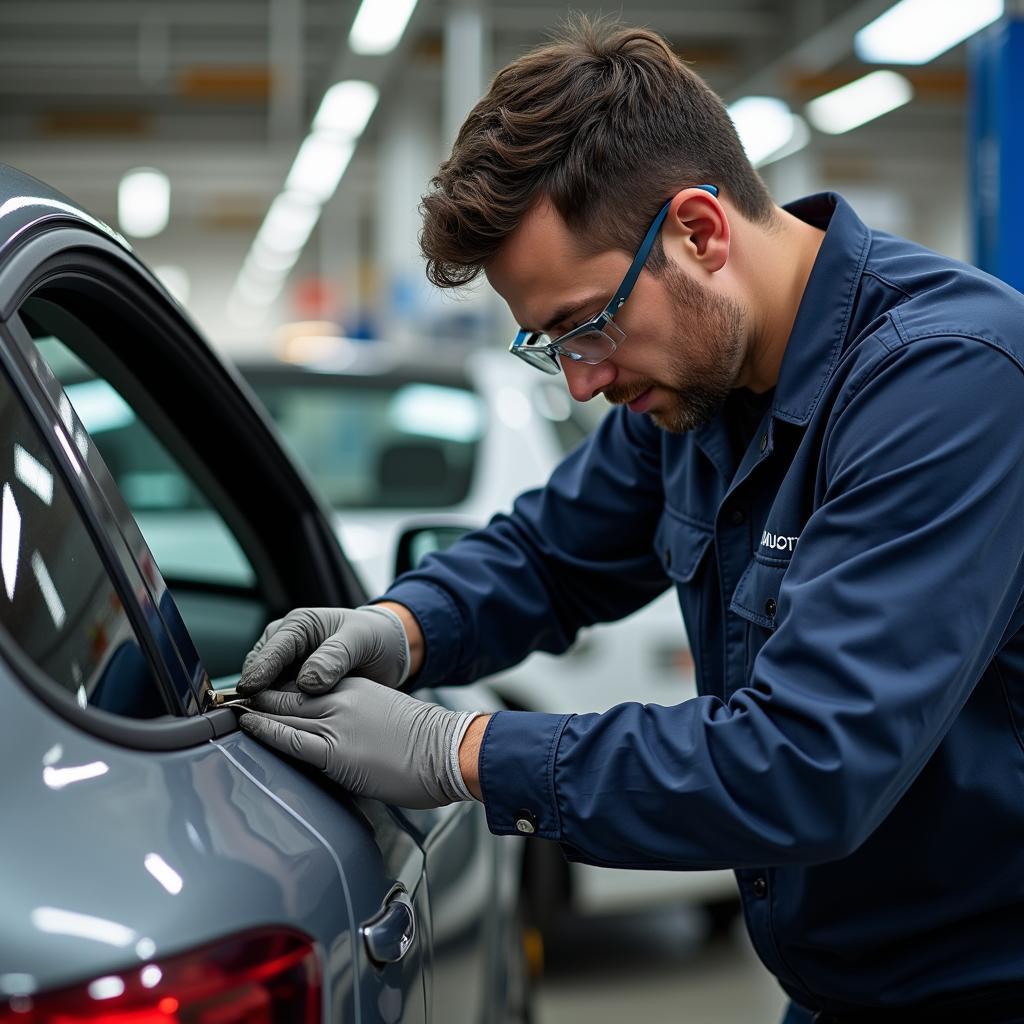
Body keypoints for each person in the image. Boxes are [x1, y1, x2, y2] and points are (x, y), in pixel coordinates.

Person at [235, 18, 1024, 1023]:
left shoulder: (946, 385)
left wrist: (458, 751)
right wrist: (398, 628)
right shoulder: (702, 384)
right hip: (837, 987)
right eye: (548, 342)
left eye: (587, 323)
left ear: (699, 230)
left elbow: (806, 763)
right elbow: (550, 553)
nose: (583, 377)